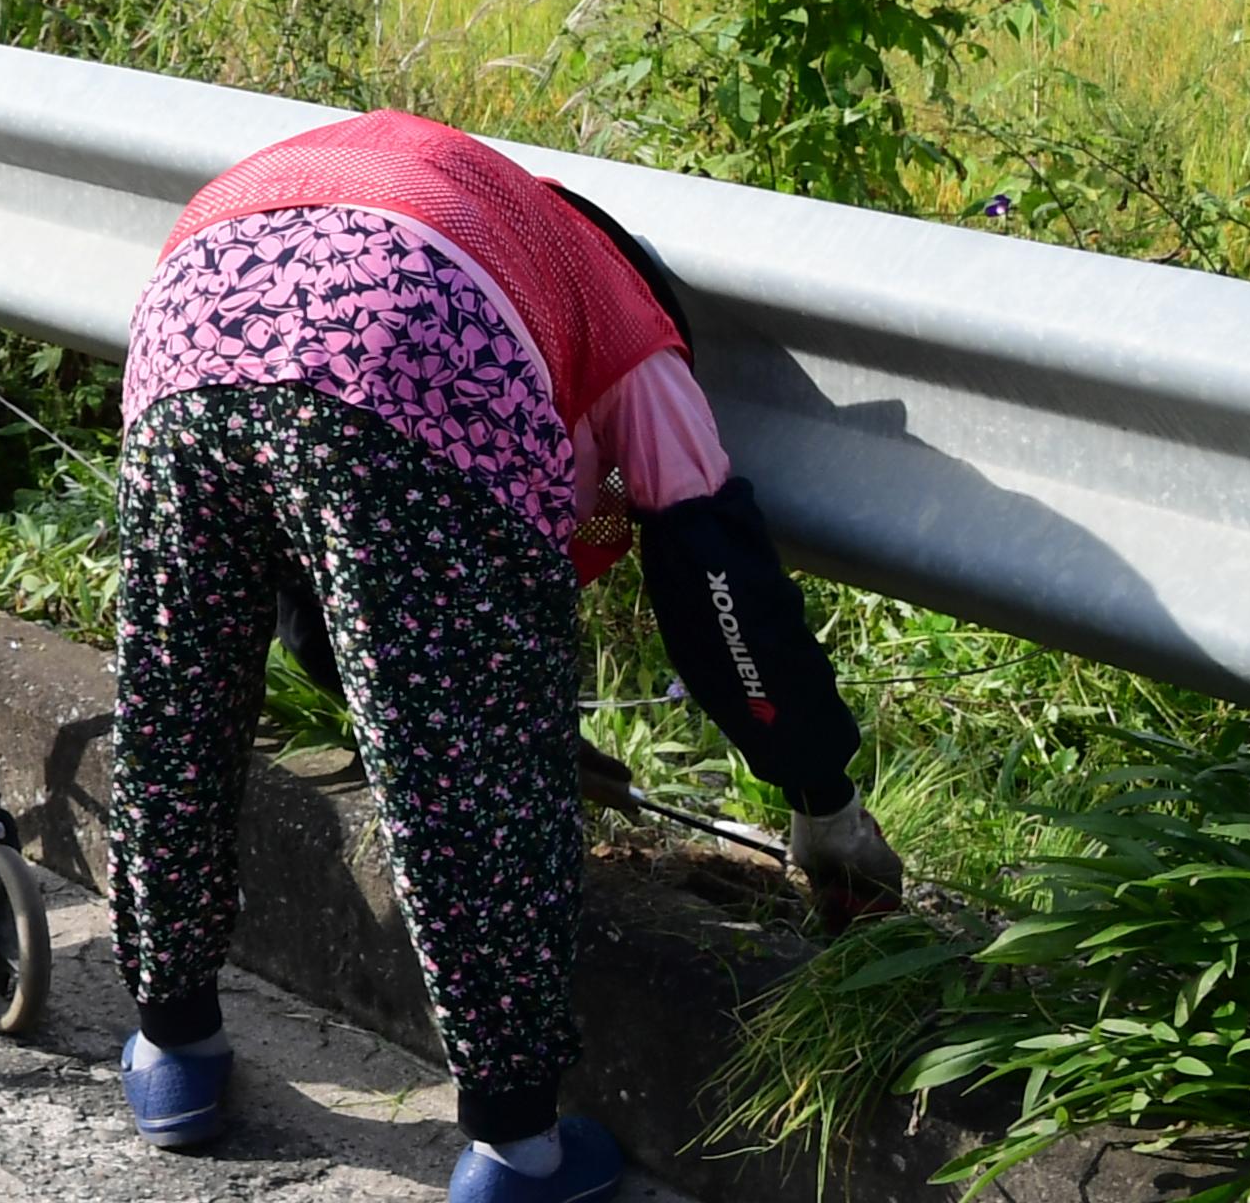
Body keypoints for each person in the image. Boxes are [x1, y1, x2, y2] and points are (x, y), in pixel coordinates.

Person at [108, 109, 904, 1199]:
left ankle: (171, 1048)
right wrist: (819, 791)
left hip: (191, 300)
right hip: (409, 321)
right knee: (480, 787)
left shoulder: (502, 221)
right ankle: (517, 1145)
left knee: (176, 697)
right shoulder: (633, 331)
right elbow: (720, 585)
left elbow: (318, 574)